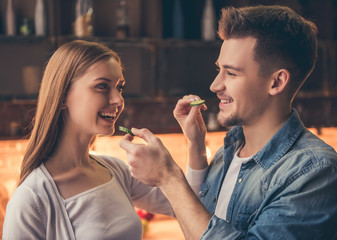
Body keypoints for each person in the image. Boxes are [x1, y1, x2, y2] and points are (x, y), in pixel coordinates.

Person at [119, 5, 337, 239]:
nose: (215, 85)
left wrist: (169, 178)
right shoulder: (229, 151)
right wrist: (196, 145)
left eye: (231, 73)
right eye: (219, 70)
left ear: (276, 82)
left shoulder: (315, 171)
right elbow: (199, 226)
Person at [2, 40, 174, 239]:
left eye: (119, 88)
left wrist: (194, 143)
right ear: (63, 96)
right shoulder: (31, 199)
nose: (118, 100)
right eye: (102, 86)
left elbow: (186, 204)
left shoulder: (117, 171)